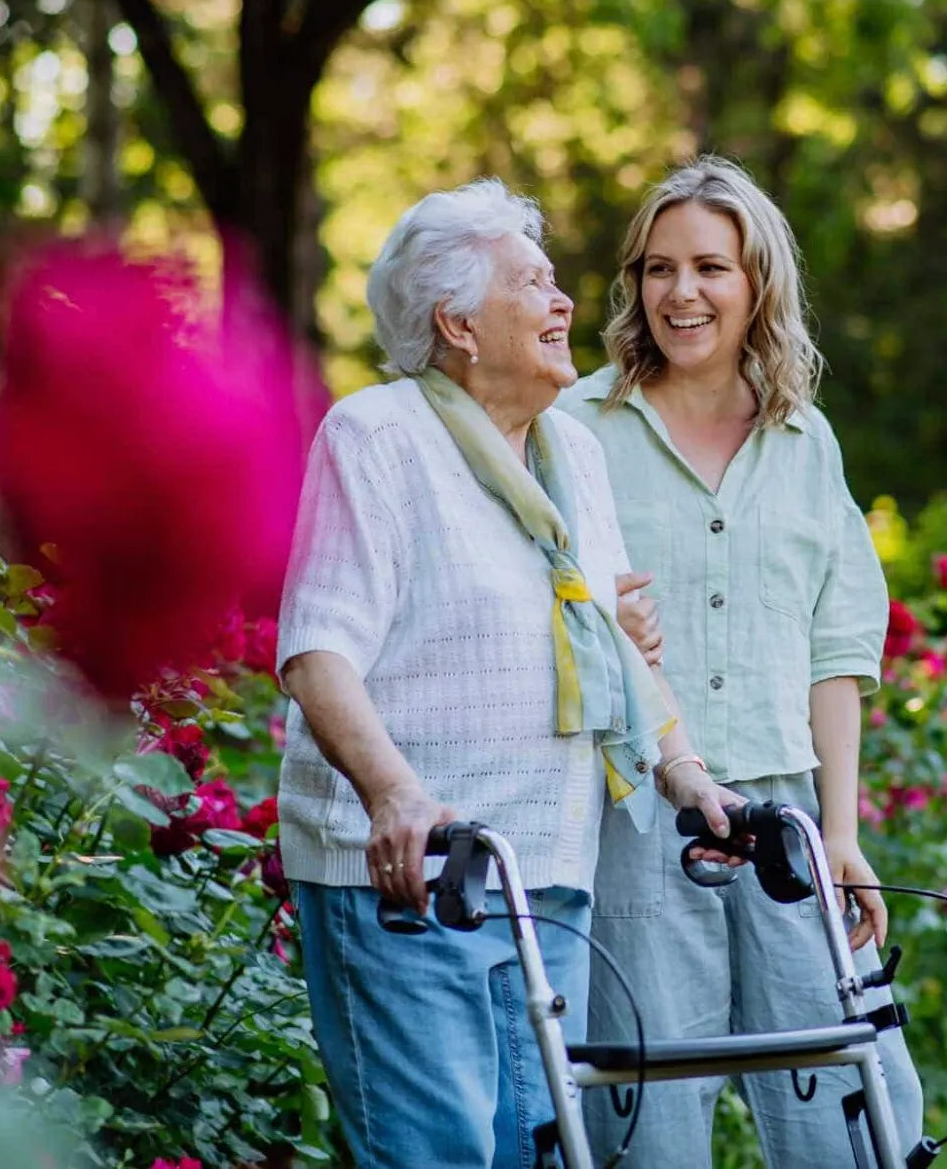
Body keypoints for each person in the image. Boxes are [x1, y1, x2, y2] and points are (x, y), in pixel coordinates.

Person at [274, 178, 741, 1168]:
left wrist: (684, 770)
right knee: (437, 1153)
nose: (564, 302)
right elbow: (317, 651)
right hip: (411, 877)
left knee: (532, 1151)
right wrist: (396, 793)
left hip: (544, 874)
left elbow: (604, 637)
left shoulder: (569, 450)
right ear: (456, 323)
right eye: (532, 284)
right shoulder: (379, 437)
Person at [559, 157, 925, 1165]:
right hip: (633, 819)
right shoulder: (574, 431)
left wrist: (841, 834)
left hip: (786, 824)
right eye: (657, 268)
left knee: (854, 1119)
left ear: (757, 281)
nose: (681, 293)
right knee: (645, 1126)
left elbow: (836, 651)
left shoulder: (805, 442)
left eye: (710, 268)